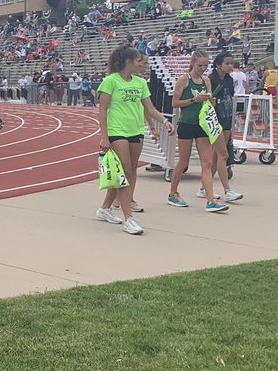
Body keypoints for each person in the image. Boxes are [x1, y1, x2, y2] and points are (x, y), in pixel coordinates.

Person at [96, 44, 173, 234]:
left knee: (129, 171)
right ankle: (128, 218)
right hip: (117, 130)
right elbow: (103, 110)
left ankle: (105, 208)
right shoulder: (110, 81)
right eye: (138, 60)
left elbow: (150, 108)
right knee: (124, 169)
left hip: (136, 131)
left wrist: (164, 122)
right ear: (127, 61)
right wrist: (104, 136)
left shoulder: (140, 83)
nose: (142, 64)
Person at [166, 50, 231, 213]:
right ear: (192, 63)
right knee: (183, 162)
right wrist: (194, 100)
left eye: (205, 65)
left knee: (207, 162)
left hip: (202, 125)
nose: (203, 68)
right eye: (200, 65)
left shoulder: (206, 81)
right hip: (187, 124)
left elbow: (209, 103)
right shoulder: (183, 80)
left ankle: (210, 200)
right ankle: (173, 193)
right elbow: (175, 103)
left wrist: (210, 101)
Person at [209, 52, 245, 203]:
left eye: (231, 63)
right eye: (227, 63)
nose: (230, 66)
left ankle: (205, 187)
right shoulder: (211, 79)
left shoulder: (230, 80)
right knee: (222, 154)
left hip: (227, 117)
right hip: (215, 118)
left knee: (217, 155)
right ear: (218, 65)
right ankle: (227, 190)